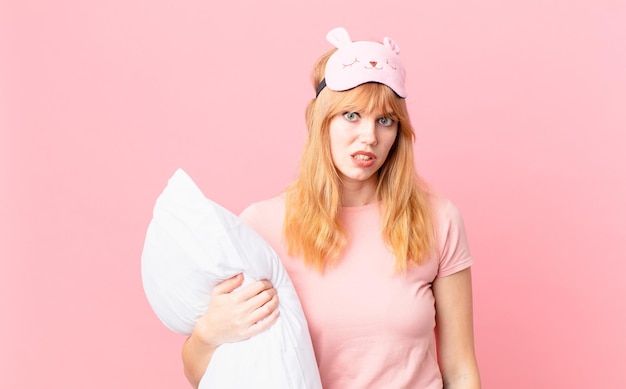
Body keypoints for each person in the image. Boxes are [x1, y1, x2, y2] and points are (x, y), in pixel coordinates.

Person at [181, 27, 481, 388]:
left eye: (384, 120)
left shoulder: (438, 220)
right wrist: (209, 334)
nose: (369, 136)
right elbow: (203, 374)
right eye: (351, 115)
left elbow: (461, 369)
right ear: (321, 121)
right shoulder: (263, 225)